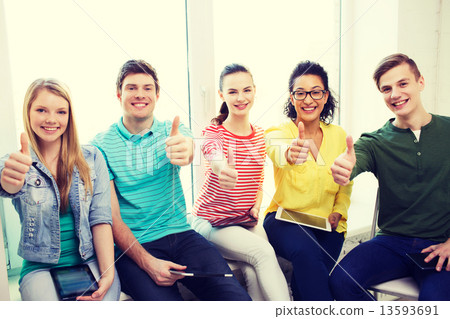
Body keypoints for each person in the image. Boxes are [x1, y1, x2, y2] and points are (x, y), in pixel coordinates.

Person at [91, 59, 251, 301]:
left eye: (147, 88)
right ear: (118, 94)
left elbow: (188, 149)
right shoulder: (100, 146)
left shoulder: (174, 130)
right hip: (135, 247)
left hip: (182, 235)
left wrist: (186, 152)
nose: (140, 94)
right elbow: (112, 218)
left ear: (156, 94)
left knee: (235, 298)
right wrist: (149, 263)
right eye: (131, 87)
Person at [329, 53, 450, 301]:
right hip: (391, 243)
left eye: (402, 84)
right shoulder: (375, 141)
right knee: (340, 281)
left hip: (440, 245)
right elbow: (354, 160)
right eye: (386, 88)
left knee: (435, 303)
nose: (394, 94)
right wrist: (345, 168)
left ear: (421, 82)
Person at [0, 78, 120, 301]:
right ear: (28, 113)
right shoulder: (18, 162)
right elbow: (5, 181)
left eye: (61, 112)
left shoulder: (93, 158)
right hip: (39, 268)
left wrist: (107, 273)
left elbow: (101, 219)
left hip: (89, 260)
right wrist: (9, 183)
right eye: (41, 110)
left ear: (69, 116)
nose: (51, 119)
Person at [188, 64, 290, 301]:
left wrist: (256, 204)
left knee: (254, 269)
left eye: (246, 90)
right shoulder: (213, 132)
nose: (241, 97)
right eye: (232, 92)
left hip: (245, 221)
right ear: (222, 95)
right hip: (212, 223)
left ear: (255, 91)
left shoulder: (259, 135)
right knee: (263, 253)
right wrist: (222, 168)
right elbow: (215, 157)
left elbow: (258, 181)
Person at [263, 61, 353, 301]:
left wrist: (339, 211)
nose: (308, 99)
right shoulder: (278, 132)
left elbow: (346, 183)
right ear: (292, 98)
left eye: (315, 92)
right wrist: (290, 153)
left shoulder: (339, 135)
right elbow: (276, 149)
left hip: (328, 226)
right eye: (300, 93)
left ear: (325, 97)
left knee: (310, 278)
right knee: (308, 253)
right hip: (285, 220)